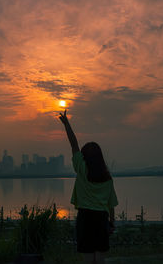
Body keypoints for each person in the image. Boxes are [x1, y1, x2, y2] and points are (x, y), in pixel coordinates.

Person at [59, 110, 118, 264]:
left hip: (85, 217)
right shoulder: (107, 178)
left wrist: (67, 124)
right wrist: (111, 223)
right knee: (99, 255)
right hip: (101, 218)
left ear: (84, 156)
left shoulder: (81, 168)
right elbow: (111, 204)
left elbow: (74, 144)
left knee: (87, 255)